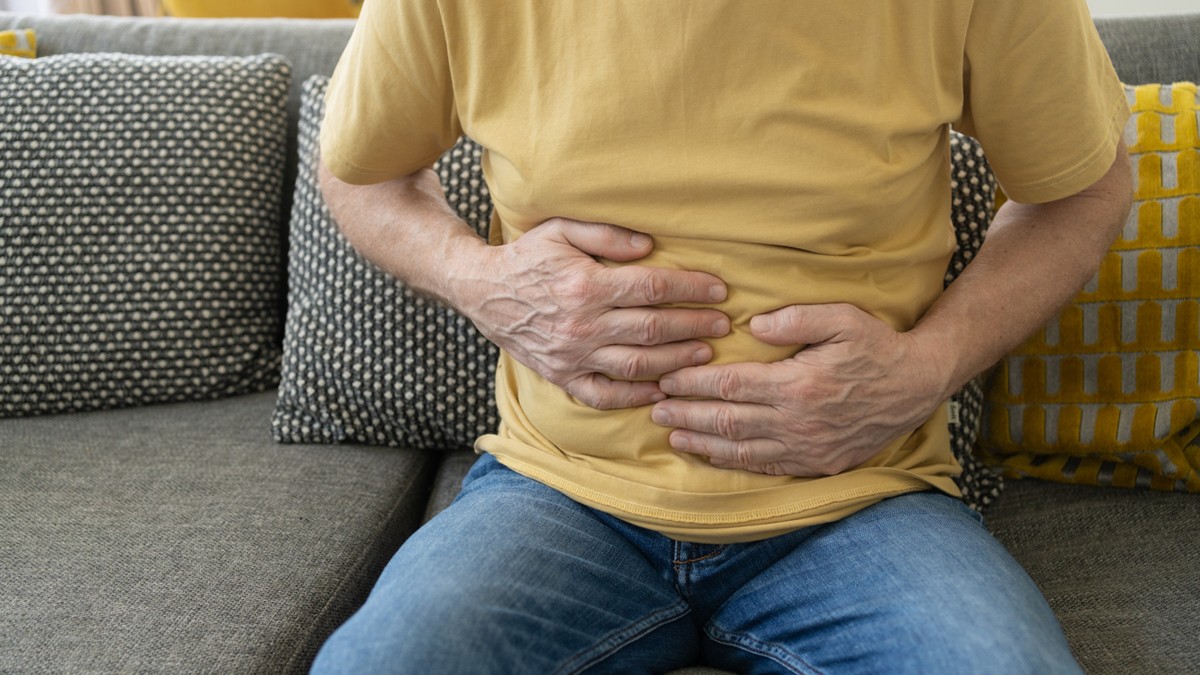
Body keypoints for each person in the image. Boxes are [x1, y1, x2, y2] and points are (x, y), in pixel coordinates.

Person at [310, 1, 1133, 672]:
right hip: (558, 492)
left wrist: (930, 366)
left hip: (861, 499)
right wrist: (480, 280)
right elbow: (359, 171)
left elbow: (1083, 190)